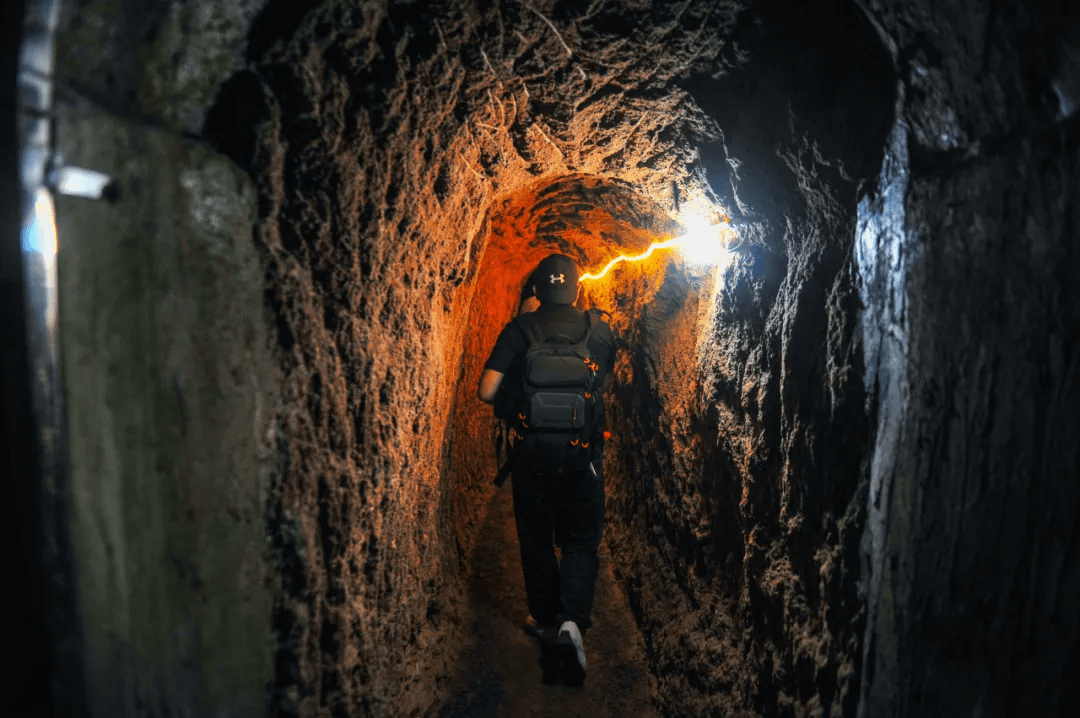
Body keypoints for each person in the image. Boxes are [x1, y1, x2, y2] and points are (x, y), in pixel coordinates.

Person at [477, 253, 617, 686]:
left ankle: (545, 618)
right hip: (582, 459)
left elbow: (486, 391)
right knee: (580, 540)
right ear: (577, 289)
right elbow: (603, 385)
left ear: (536, 290)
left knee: (536, 538)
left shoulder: (520, 329)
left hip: (532, 457)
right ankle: (573, 621)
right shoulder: (600, 331)